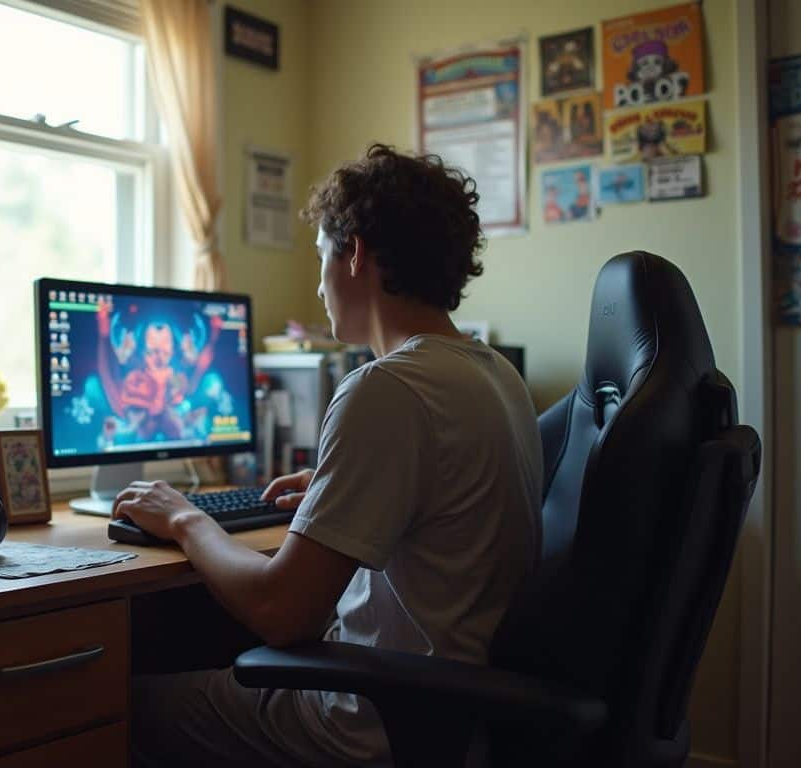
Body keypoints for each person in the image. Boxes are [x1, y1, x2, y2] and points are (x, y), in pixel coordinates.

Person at [118, 143, 544, 767]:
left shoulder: (388, 387)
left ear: (355, 254)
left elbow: (280, 611)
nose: (318, 285)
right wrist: (338, 485)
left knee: (117, 708)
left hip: (363, 725)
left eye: (321, 257)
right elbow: (454, 503)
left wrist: (186, 518)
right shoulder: (493, 373)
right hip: (455, 716)